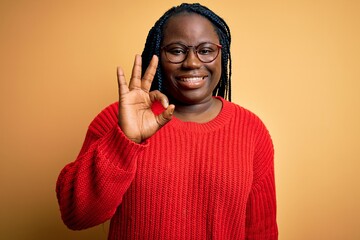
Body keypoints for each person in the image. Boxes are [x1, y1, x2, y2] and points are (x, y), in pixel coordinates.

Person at [56, 3, 278, 239]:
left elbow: (261, 231)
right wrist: (123, 140)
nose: (192, 62)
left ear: (222, 56)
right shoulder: (118, 119)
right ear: (157, 55)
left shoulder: (251, 130)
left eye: (205, 50)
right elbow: (76, 215)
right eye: (176, 50)